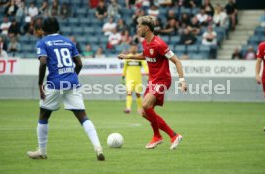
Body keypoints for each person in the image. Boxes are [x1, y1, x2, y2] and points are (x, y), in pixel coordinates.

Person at [27, 17, 105, 161]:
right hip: (72, 82)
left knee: (44, 115)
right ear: (58, 28)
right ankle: (98, 146)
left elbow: (43, 62)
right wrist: (72, 76)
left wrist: (39, 84)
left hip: (55, 83)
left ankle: (42, 151)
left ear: (43, 30)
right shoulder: (69, 41)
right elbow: (79, 64)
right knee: (82, 116)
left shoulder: (43, 42)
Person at [118, 16, 187, 150]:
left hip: (162, 80)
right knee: (145, 112)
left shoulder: (160, 44)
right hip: (153, 81)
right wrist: (128, 56)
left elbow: (177, 61)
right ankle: (163, 136)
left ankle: (168, 136)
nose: (137, 29)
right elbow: (145, 55)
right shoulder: (145, 42)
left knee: (145, 104)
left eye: (139, 26)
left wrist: (182, 81)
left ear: (146, 28)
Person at [122, 43, 149, 114]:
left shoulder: (139, 57)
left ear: (136, 48)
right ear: (130, 49)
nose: (133, 48)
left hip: (138, 79)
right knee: (129, 93)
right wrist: (123, 77)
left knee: (138, 94)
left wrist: (147, 75)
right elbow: (125, 68)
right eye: (132, 47)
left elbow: (145, 66)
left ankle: (139, 109)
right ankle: (128, 108)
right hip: (129, 79)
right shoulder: (127, 57)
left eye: (135, 47)